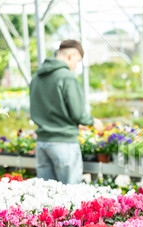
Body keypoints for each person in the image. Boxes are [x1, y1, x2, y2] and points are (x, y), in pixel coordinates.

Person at [30, 39, 103, 184]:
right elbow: (78, 113)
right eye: (77, 60)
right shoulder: (67, 77)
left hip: (42, 144)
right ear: (70, 55)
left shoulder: (36, 77)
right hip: (64, 144)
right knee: (70, 195)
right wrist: (93, 122)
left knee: (47, 196)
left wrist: (73, 124)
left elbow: (44, 110)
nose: (75, 66)